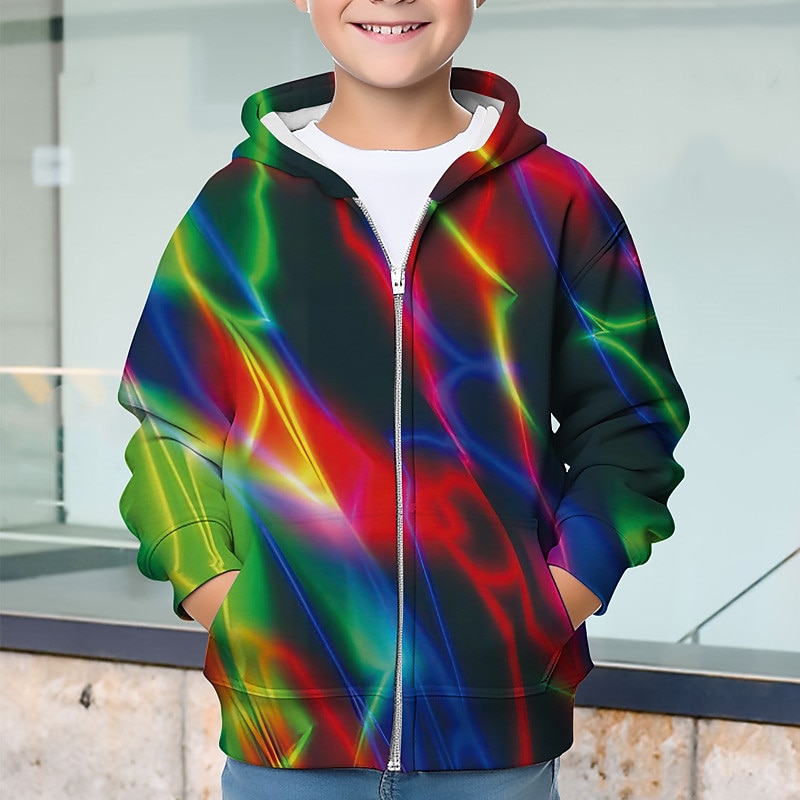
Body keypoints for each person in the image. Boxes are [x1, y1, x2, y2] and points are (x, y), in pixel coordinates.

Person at [118, 0, 689, 798]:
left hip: (494, 741)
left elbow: (628, 420)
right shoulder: (238, 210)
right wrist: (226, 598)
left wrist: (556, 599)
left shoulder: (554, 200)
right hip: (287, 736)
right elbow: (168, 426)